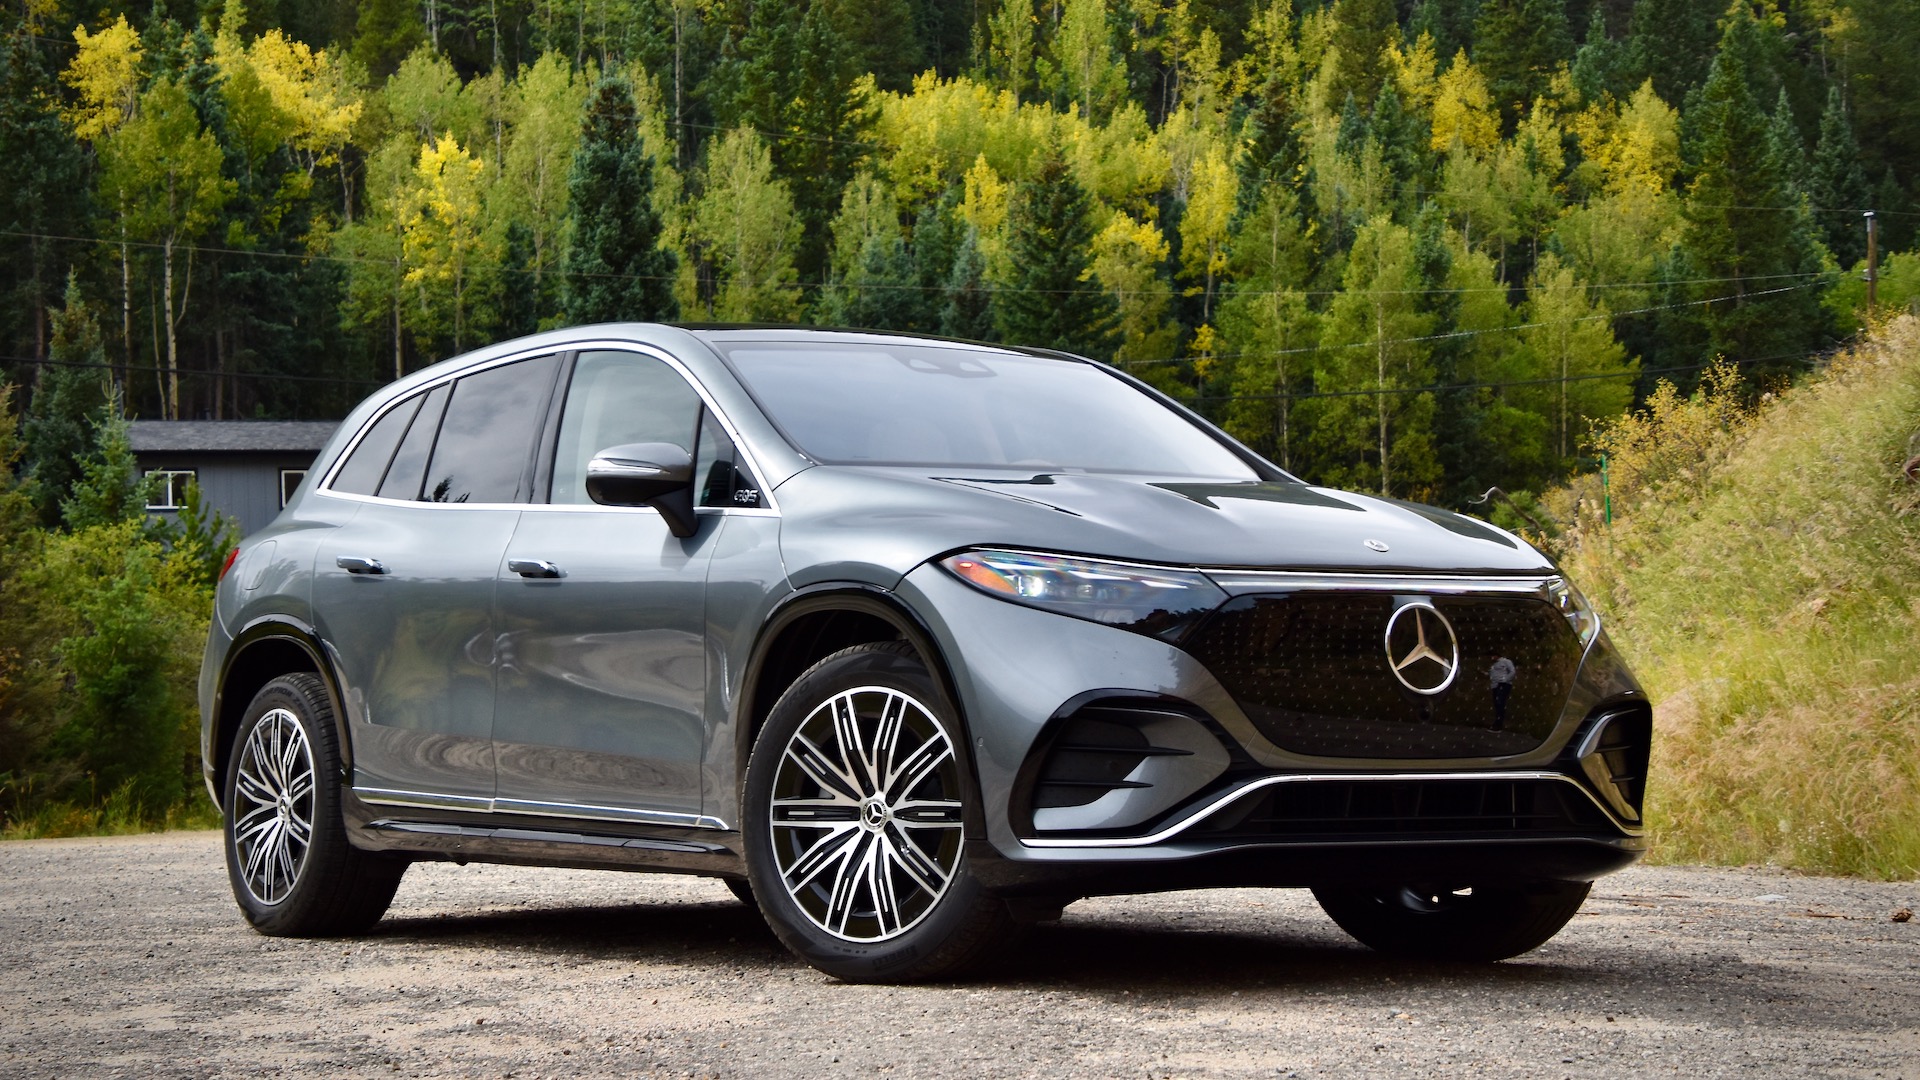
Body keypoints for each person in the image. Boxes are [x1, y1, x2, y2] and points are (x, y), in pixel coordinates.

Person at [1489, 656, 1516, 729]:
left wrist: (1505, 679)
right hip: (1495, 685)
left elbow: (1512, 671)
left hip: (1503, 685)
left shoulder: (1506, 661)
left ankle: (1499, 723)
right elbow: (1493, 675)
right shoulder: (1494, 665)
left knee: (1500, 702)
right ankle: (1497, 721)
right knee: (1497, 704)